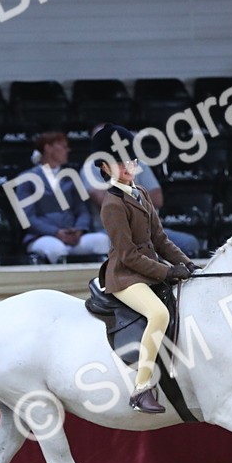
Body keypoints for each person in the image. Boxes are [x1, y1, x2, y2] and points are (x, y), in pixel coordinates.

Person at [92, 124, 197, 414]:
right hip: (126, 276)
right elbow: (128, 255)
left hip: (147, 269)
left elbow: (160, 239)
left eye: (132, 160)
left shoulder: (141, 192)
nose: (128, 166)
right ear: (104, 167)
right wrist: (167, 273)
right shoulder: (112, 204)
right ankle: (141, 389)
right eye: (120, 162)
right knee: (159, 313)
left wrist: (186, 263)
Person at [82, 124, 202, 259]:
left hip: (146, 229)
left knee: (189, 243)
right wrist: (136, 196)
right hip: (111, 232)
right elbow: (104, 200)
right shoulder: (91, 168)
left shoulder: (138, 163)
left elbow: (157, 198)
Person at [14, 131, 109, 264]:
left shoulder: (71, 177)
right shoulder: (26, 179)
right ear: (48, 148)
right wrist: (56, 232)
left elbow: (82, 210)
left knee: (102, 240)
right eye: (64, 147)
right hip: (41, 236)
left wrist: (79, 229)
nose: (68, 150)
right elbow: (28, 218)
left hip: (72, 236)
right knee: (56, 249)